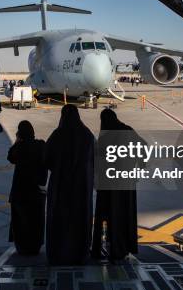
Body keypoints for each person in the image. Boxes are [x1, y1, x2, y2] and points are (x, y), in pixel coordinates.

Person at [44, 104, 95, 265]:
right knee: (80, 219)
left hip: (60, 186)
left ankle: (59, 254)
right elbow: (94, 161)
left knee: (59, 220)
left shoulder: (57, 135)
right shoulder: (87, 135)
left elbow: (46, 159)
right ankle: (80, 253)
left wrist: (59, 169)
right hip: (82, 187)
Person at [91, 109, 140, 261]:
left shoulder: (105, 136)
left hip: (109, 184)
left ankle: (100, 249)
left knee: (105, 216)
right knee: (125, 215)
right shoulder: (128, 130)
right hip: (126, 183)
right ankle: (123, 248)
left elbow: (98, 162)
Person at [7, 121, 48, 255]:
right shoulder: (40, 145)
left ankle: (23, 248)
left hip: (20, 191)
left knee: (20, 221)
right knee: (36, 221)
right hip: (36, 191)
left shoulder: (20, 147)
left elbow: (10, 157)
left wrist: (18, 141)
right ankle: (35, 246)